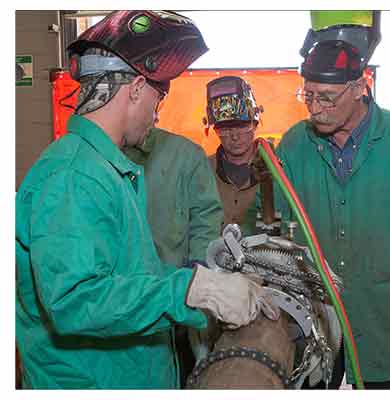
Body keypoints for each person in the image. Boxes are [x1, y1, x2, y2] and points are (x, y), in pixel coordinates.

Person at [15, 10, 278, 389]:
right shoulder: (73, 176)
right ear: (136, 88)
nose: (157, 113)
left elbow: (127, 280)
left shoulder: (106, 169)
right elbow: (75, 300)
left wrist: (202, 283)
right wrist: (190, 292)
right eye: (160, 95)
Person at [274, 39, 390, 388]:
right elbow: (273, 229)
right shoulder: (295, 144)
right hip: (316, 323)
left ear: (359, 87)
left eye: (326, 96)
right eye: (307, 95)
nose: (315, 108)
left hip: (388, 322)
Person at [123, 123, 224, 385]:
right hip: (124, 313)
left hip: (178, 310)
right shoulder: (85, 167)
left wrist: (197, 278)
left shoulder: (185, 155)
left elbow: (206, 217)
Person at [204, 76, 263, 235]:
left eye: (242, 126)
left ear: (255, 124)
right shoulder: (202, 171)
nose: (235, 136)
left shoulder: (278, 169)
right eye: (226, 129)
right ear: (215, 130)